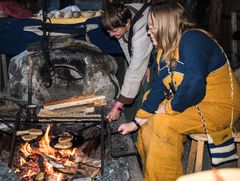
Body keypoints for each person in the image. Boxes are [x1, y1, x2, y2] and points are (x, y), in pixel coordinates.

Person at [118, 2, 240, 181]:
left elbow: (194, 84)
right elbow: (157, 91)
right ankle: (150, 173)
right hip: (195, 102)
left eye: (152, 27)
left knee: (163, 122)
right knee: (149, 113)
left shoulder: (193, 40)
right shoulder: (163, 52)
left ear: (165, 26)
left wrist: (170, 108)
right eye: (148, 28)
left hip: (219, 107)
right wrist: (136, 122)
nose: (148, 32)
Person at [101, 3, 153, 122]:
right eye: (108, 31)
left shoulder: (141, 31)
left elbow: (135, 71)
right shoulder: (119, 13)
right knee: (138, 71)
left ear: (128, 22)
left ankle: (144, 120)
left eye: (114, 31)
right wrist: (140, 64)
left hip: (166, 43)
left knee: (147, 86)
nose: (110, 35)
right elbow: (126, 46)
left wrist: (118, 107)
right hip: (140, 44)